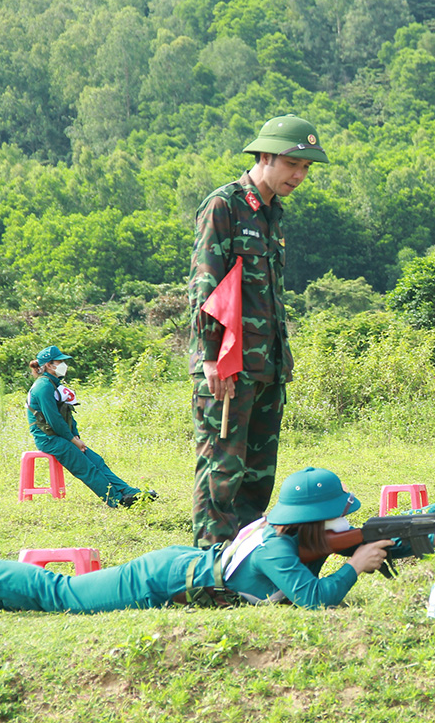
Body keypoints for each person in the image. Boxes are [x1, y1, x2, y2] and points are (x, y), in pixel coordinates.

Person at [0, 467, 435, 612]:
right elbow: (313, 601)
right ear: (316, 520)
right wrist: (355, 566)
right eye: (338, 517)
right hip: (159, 578)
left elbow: (372, 539)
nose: (346, 525)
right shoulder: (277, 549)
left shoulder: (300, 536)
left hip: (185, 568)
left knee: (47, 599)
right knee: (63, 595)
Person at [188, 114, 328, 547]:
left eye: (306, 168)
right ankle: (210, 568)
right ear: (265, 156)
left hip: (266, 365)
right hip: (228, 363)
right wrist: (210, 356)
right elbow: (205, 284)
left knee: (257, 474)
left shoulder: (273, 214)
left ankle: (244, 561)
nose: (300, 176)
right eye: (292, 165)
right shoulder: (224, 206)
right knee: (222, 470)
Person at [25, 346, 151, 509]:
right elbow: (54, 420)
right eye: (60, 361)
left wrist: (76, 437)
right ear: (49, 365)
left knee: (96, 461)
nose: (64, 365)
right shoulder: (43, 387)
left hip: (61, 436)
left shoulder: (53, 384)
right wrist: (72, 440)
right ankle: (117, 500)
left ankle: (129, 492)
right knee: (86, 467)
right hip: (49, 439)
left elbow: (68, 415)